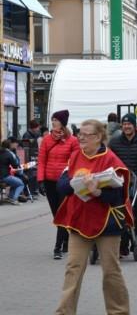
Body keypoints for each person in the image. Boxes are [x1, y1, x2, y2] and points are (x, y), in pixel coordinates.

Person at [53, 119, 133, 315]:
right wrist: (76, 182)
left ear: (98, 137)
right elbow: (61, 187)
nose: (80, 137)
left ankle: (119, 312)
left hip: (107, 222)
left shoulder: (111, 160)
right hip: (79, 220)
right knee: (73, 269)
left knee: (111, 271)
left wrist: (97, 192)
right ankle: (64, 312)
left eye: (85, 134)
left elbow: (118, 197)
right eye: (79, 133)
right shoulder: (74, 156)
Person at [108, 113, 137, 254]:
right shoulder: (115, 142)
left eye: (129, 124)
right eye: (124, 124)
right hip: (120, 183)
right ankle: (123, 243)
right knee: (120, 213)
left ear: (134, 126)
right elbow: (108, 160)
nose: (127, 126)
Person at [37, 110, 79, 259]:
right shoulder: (47, 140)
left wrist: (71, 179)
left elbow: (74, 162)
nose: (53, 122)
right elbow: (41, 160)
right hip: (49, 181)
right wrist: (40, 180)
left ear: (63, 123)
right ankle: (66, 239)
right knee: (57, 214)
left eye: (56, 120)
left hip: (64, 182)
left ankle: (57, 247)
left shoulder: (72, 141)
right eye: (52, 120)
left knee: (61, 213)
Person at [0, 139, 24, 205]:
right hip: (5, 176)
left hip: (2, 176)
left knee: (15, 182)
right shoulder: (9, 154)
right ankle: (14, 199)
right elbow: (15, 166)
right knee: (21, 184)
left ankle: (10, 198)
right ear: (9, 146)